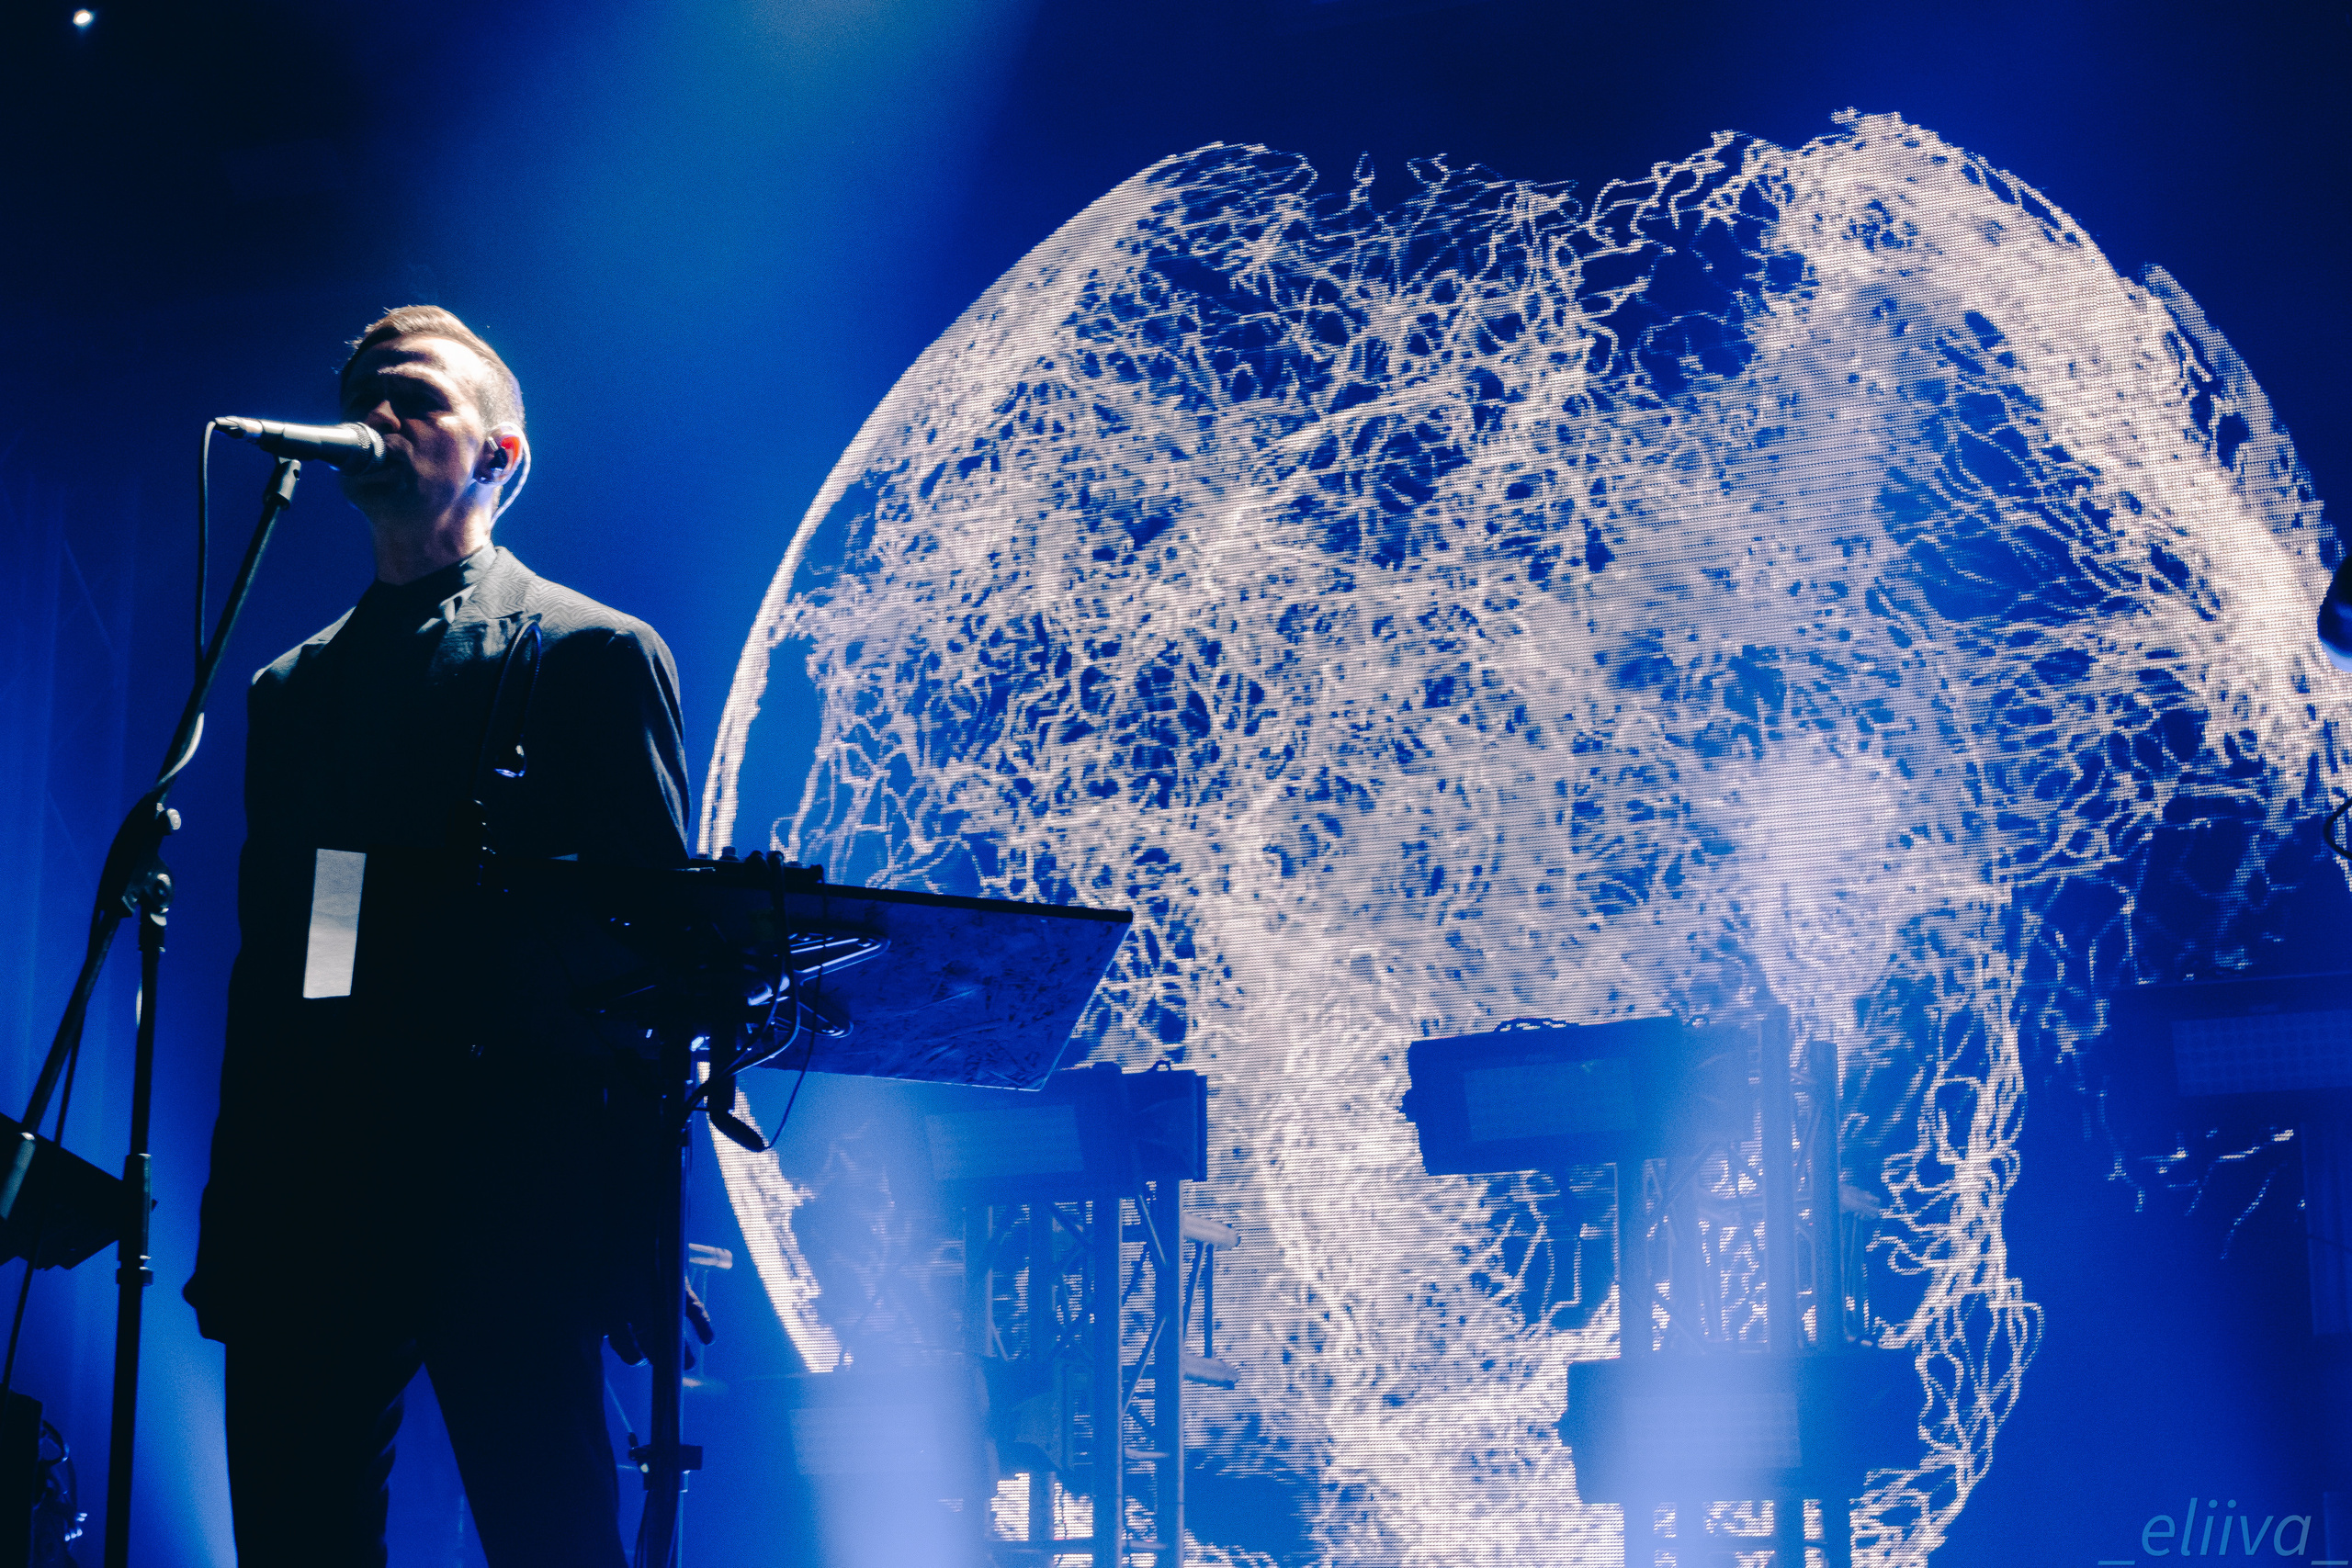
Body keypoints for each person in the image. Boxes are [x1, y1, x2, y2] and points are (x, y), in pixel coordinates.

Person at [184, 307, 690, 1567]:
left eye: (413, 397)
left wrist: (639, 1215)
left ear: (500, 455)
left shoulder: (589, 653)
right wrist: (238, 1214)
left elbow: (655, 964)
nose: (376, 415)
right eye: (362, 393)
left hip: (513, 1189)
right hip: (322, 1194)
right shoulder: (297, 689)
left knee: (550, 1536)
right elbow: (300, 956)